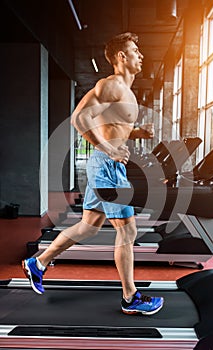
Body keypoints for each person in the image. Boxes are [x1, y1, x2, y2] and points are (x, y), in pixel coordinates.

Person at [23, 32, 164, 316]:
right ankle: (130, 298)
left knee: (90, 226)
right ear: (121, 57)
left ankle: (37, 264)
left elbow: (110, 125)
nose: (141, 55)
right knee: (128, 229)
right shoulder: (111, 84)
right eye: (135, 51)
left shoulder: (126, 90)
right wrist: (109, 149)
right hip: (107, 164)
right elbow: (79, 118)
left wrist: (136, 132)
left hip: (106, 164)